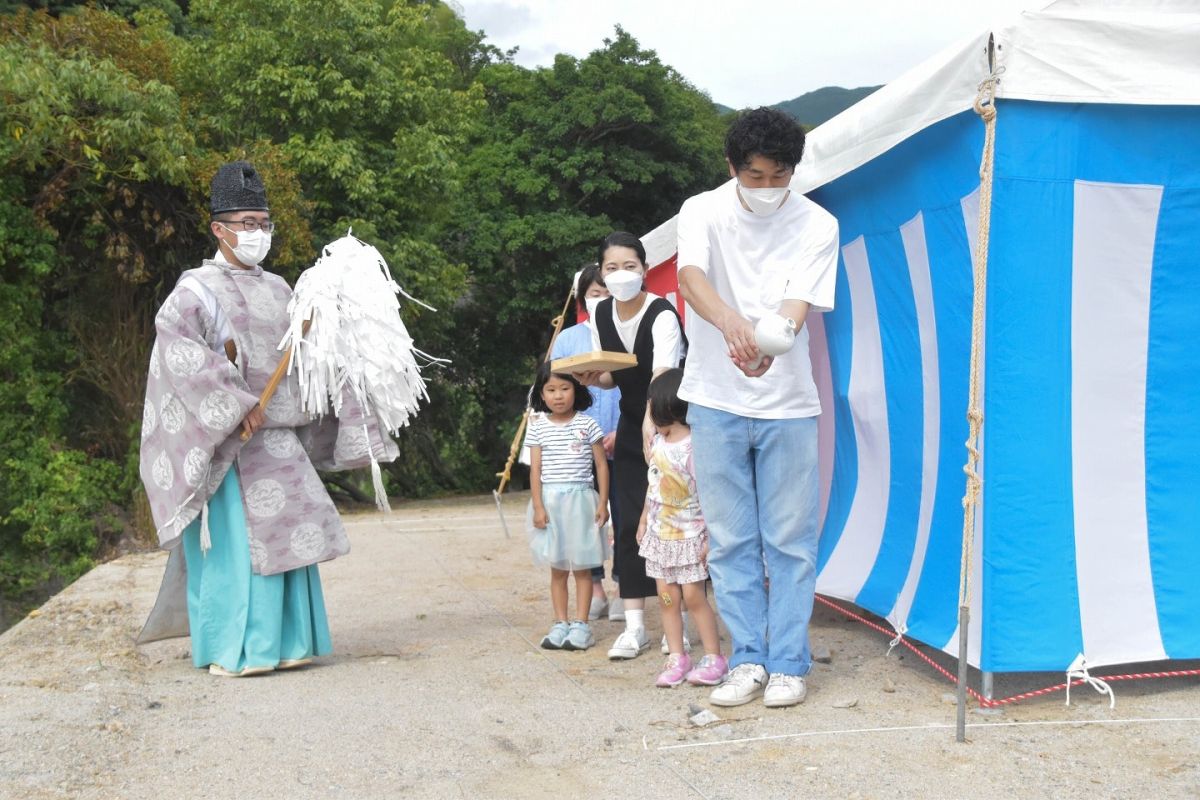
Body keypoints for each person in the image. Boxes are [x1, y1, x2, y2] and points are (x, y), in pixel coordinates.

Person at [138, 160, 396, 676]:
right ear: (218, 229)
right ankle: (236, 650)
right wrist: (235, 405)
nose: (258, 234)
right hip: (228, 442)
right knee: (237, 549)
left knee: (290, 538)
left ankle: (290, 643)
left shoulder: (283, 289)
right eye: (246, 224)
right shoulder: (194, 290)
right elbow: (178, 356)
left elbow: (307, 359)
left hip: (279, 439)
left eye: (264, 224)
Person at [675, 108, 838, 708]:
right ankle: (747, 658)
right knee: (730, 539)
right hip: (714, 399)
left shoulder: (819, 223)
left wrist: (776, 340)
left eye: (779, 176)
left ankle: (790, 662)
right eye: (755, 175)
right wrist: (733, 327)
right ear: (732, 167)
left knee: (791, 539)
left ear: (794, 170)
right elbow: (691, 277)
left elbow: (799, 302)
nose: (767, 188)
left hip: (789, 403)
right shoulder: (703, 210)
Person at [579, 231, 685, 661]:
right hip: (628, 425)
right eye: (611, 268)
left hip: (670, 426)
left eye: (630, 266)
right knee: (627, 524)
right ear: (600, 273)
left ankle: (676, 623)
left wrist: (650, 421)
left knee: (671, 524)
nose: (621, 275)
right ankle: (637, 625)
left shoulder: (661, 313)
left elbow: (662, 374)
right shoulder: (600, 313)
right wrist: (593, 377)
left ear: (644, 269)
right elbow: (610, 374)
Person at [636, 369, 727, 688]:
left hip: (691, 536)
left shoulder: (694, 446)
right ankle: (677, 655)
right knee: (667, 598)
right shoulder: (658, 441)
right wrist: (645, 517)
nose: (659, 427)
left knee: (694, 597)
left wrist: (711, 536)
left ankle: (715, 656)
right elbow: (655, 483)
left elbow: (710, 493)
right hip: (661, 536)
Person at [549, 264, 623, 621]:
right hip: (577, 448)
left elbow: (641, 390)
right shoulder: (567, 340)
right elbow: (555, 392)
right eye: (595, 294)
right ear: (582, 299)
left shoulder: (630, 332)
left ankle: (625, 586)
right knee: (583, 522)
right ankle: (594, 589)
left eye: (608, 293)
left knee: (625, 516)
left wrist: (622, 430)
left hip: (623, 440)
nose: (602, 300)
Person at [525, 362, 610, 651]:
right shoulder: (537, 428)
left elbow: (601, 465)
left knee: (583, 568)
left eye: (565, 388)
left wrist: (603, 502)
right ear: (542, 394)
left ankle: (582, 624)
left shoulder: (588, 424)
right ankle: (560, 622)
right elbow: (535, 471)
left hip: (582, 501)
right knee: (558, 569)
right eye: (551, 390)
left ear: (577, 389)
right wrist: (538, 507)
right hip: (551, 504)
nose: (558, 395)